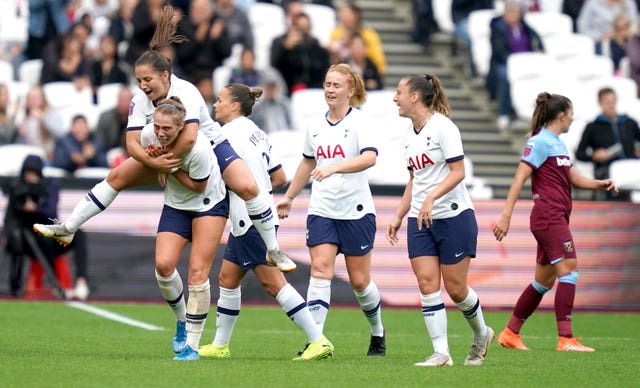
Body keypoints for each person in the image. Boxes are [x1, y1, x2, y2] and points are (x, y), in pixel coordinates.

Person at [34, 5, 295, 273]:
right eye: (138, 80)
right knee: (115, 178)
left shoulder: (187, 91)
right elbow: (132, 143)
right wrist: (153, 162)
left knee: (248, 188)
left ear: (165, 76)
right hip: (168, 155)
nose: (143, 85)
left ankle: (273, 249)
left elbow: (191, 138)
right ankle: (68, 228)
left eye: (147, 79)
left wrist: (166, 166)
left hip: (212, 147)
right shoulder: (139, 100)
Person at [198, 83, 334, 361]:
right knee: (227, 278)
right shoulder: (257, 133)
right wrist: (260, 188)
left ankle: (318, 340)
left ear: (235, 106)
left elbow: (215, 176)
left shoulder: (228, 135)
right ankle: (220, 345)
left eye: (220, 100)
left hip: (250, 219)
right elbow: (279, 177)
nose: (215, 105)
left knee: (274, 284)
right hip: (255, 216)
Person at [493, 92, 618, 352]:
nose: (572, 119)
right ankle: (566, 339)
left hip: (556, 217)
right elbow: (519, 179)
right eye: (570, 114)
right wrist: (506, 215)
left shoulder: (558, 144)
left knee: (544, 281)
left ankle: (510, 333)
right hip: (548, 217)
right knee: (569, 269)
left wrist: (599, 184)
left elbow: (572, 176)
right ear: (561, 116)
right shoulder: (539, 142)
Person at [276, 63, 386, 357]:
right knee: (320, 270)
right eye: (327, 84)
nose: (330, 90)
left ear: (351, 90)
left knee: (360, 283)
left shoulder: (362, 122)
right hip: (322, 209)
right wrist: (289, 196)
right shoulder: (315, 125)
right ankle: (317, 341)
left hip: (356, 211)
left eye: (337, 85)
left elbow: (370, 158)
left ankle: (377, 331)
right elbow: (308, 162)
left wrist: (335, 167)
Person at [385, 74, 494, 367]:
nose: (395, 98)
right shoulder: (408, 134)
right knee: (427, 284)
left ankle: (482, 334)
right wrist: (398, 215)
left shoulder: (444, 128)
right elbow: (414, 179)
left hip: (454, 216)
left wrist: (432, 198)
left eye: (399, 92)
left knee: (457, 290)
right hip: (419, 219)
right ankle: (442, 354)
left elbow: (459, 172)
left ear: (416, 97)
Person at [139, 96, 227, 361]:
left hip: (208, 203)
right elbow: (147, 159)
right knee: (164, 266)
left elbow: (198, 186)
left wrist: (168, 165)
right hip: (176, 205)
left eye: (167, 129)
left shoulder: (197, 148)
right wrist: (154, 163)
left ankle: (192, 345)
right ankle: (181, 319)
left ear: (180, 127)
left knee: (198, 274)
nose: (160, 133)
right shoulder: (148, 136)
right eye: (157, 127)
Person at [2, 154, 90, 299]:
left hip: (49, 230)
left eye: (34, 173)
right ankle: (56, 285)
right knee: (44, 239)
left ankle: (81, 282)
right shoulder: (17, 187)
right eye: (28, 172)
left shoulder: (48, 186)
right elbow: (10, 215)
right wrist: (6, 234)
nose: (30, 177)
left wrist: (35, 208)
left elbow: (51, 212)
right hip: (28, 238)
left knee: (78, 234)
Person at [486, 0, 543, 130]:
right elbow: (499, 51)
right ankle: (504, 113)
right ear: (505, 14)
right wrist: (516, 63)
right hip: (506, 63)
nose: (513, 15)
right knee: (506, 75)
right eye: (510, 12)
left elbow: (537, 40)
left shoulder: (525, 27)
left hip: (526, 62)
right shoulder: (498, 28)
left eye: (516, 12)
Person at [575, 87, 640, 200]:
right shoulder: (593, 127)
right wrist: (594, 157)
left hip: (630, 165)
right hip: (606, 169)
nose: (611, 105)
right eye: (607, 102)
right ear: (600, 103)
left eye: (613, 101)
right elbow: (579, 154)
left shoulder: (629, 122)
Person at [270, 12, 330, 95]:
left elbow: (322, 67)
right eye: (301, 28)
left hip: (312, 87)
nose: (304, 32)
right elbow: (274, 66)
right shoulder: (279, 42)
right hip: (288, 87)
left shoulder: (314, 44)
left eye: (307, 27)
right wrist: (286, 49)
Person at [329, 2, 386, 76]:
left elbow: (378, 61)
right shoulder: (335, 33)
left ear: (356, 15)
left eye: (345, 13)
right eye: (340, 12)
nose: (341, 16)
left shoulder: (369, 35)